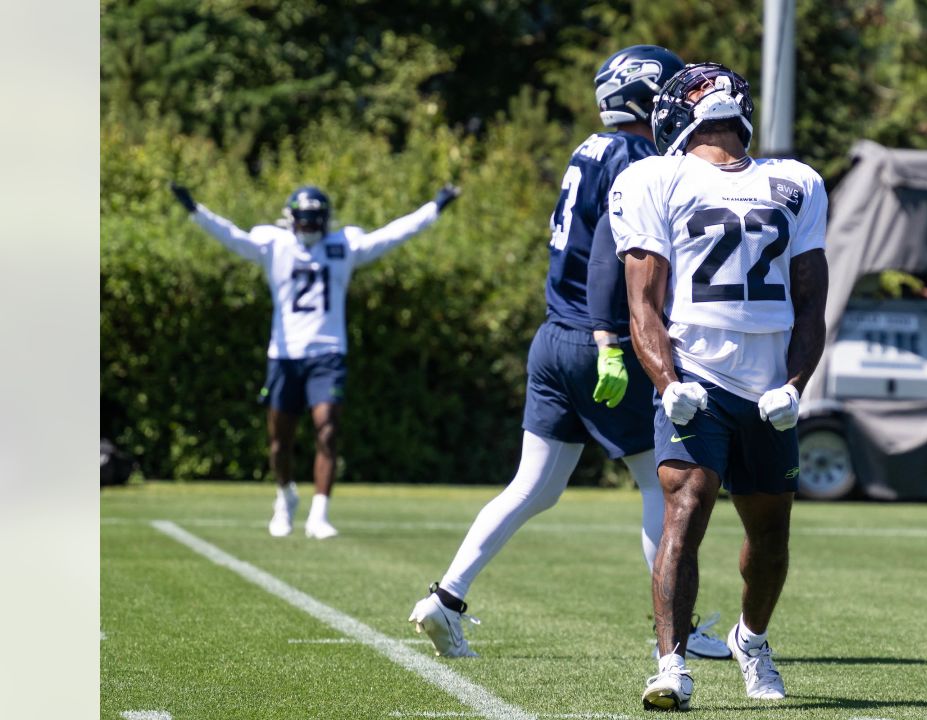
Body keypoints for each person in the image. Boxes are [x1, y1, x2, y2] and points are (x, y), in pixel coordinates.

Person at [407, 45, 731, 662]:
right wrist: (612, 342)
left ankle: (445, 598)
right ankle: (678, 630)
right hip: (599, 338)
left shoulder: (590, 148)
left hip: (555, 336)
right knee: (656, 483)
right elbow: (612, 253)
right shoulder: (637, 158)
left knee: (532, 486)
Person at [609, 62, 829, 711]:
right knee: (688, 503)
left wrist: (794, 384)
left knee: (771, 534)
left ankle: (751, 641)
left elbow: (811, 301)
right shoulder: (658, 179)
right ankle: (670, 663)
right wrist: (667, 381)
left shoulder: (794, 183)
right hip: (697, 377)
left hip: (767, 389)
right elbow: (643, 305)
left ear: (675, 114)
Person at [168, 181, 459, 539]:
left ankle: (319, 513)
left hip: (328, 352)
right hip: (285, 354)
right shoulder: (273, 244)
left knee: (328, 428)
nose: (309, 226)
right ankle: (285, 495)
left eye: (315, 219)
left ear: (326, 220)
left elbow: (392, 235)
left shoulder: (343, 246)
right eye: (304, 219)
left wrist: (434, 208)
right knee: (279, 442)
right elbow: (232, 237)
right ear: (291, 219)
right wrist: (195, 211)